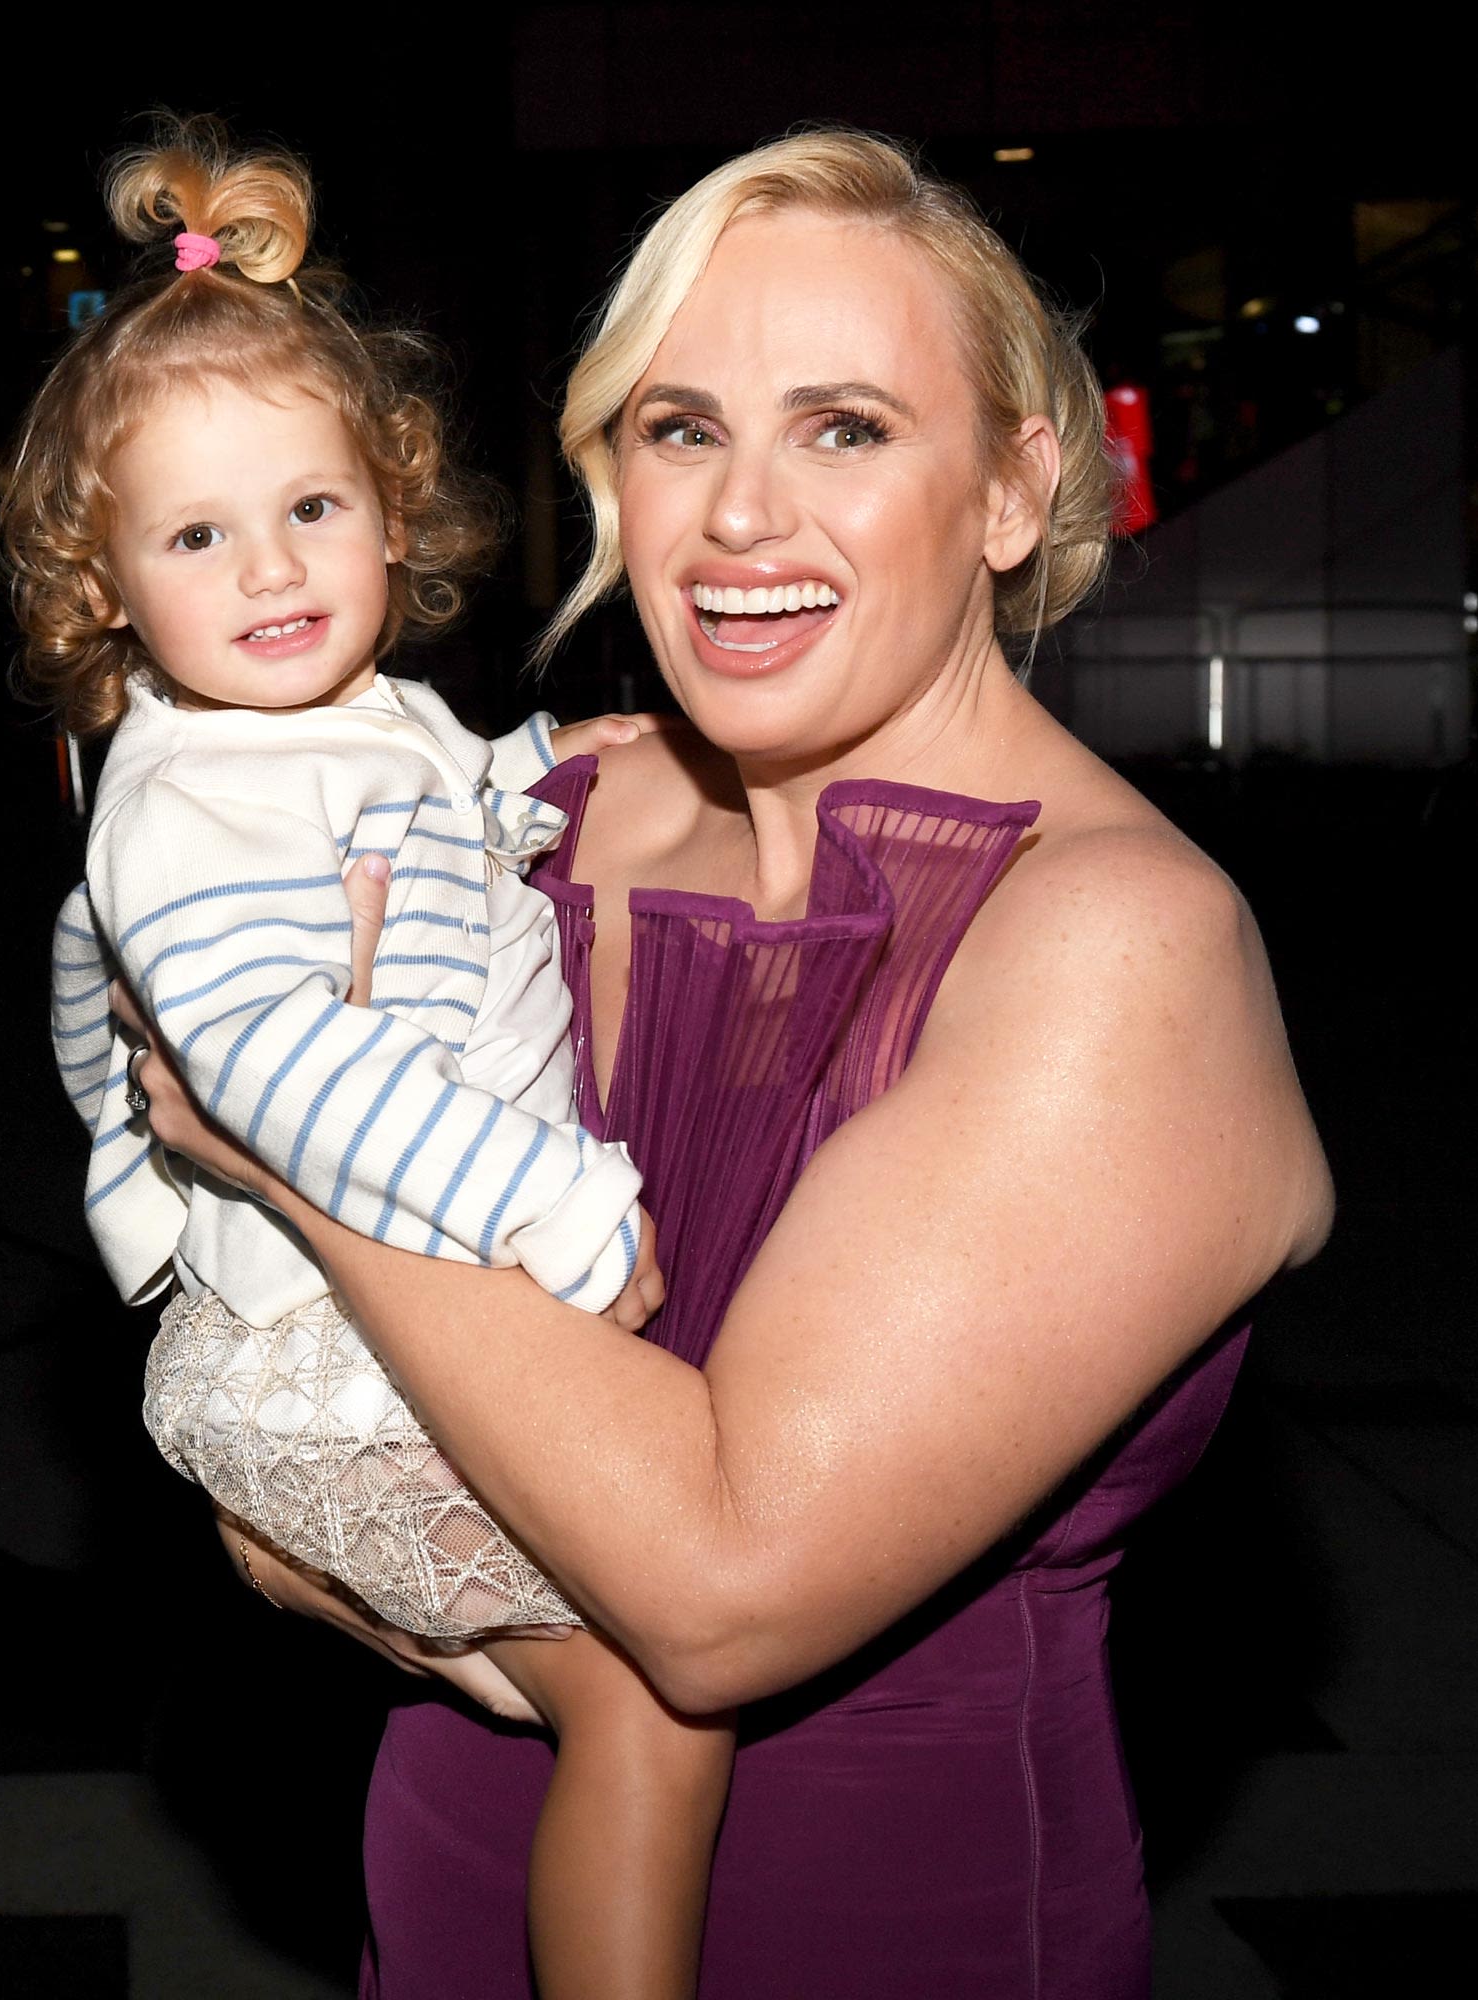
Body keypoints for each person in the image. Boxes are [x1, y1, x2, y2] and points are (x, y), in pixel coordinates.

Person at [122, 129, 1334, 1999]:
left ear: (1016, 485)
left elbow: (711, 1597)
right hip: (448, 1851)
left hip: (879, 1931)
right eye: (681, 429)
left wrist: (281, 1149)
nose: (741, 517)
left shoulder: (1115, 947)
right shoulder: (553, 819)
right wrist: (297, 1517)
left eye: (842, 428)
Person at [0, 119, 731, 2000]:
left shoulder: (356, 717)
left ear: (397, 509)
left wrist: (552, 767)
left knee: (582, 1702)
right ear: (103, 594)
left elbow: (426, 824)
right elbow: (279, 1073)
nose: (268, 570)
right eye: (194, 535)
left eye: (310, 509)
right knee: (657, 1711)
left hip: (367, 1318)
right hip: (334, 1354)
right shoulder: (188, 807)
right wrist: (553, 1201)